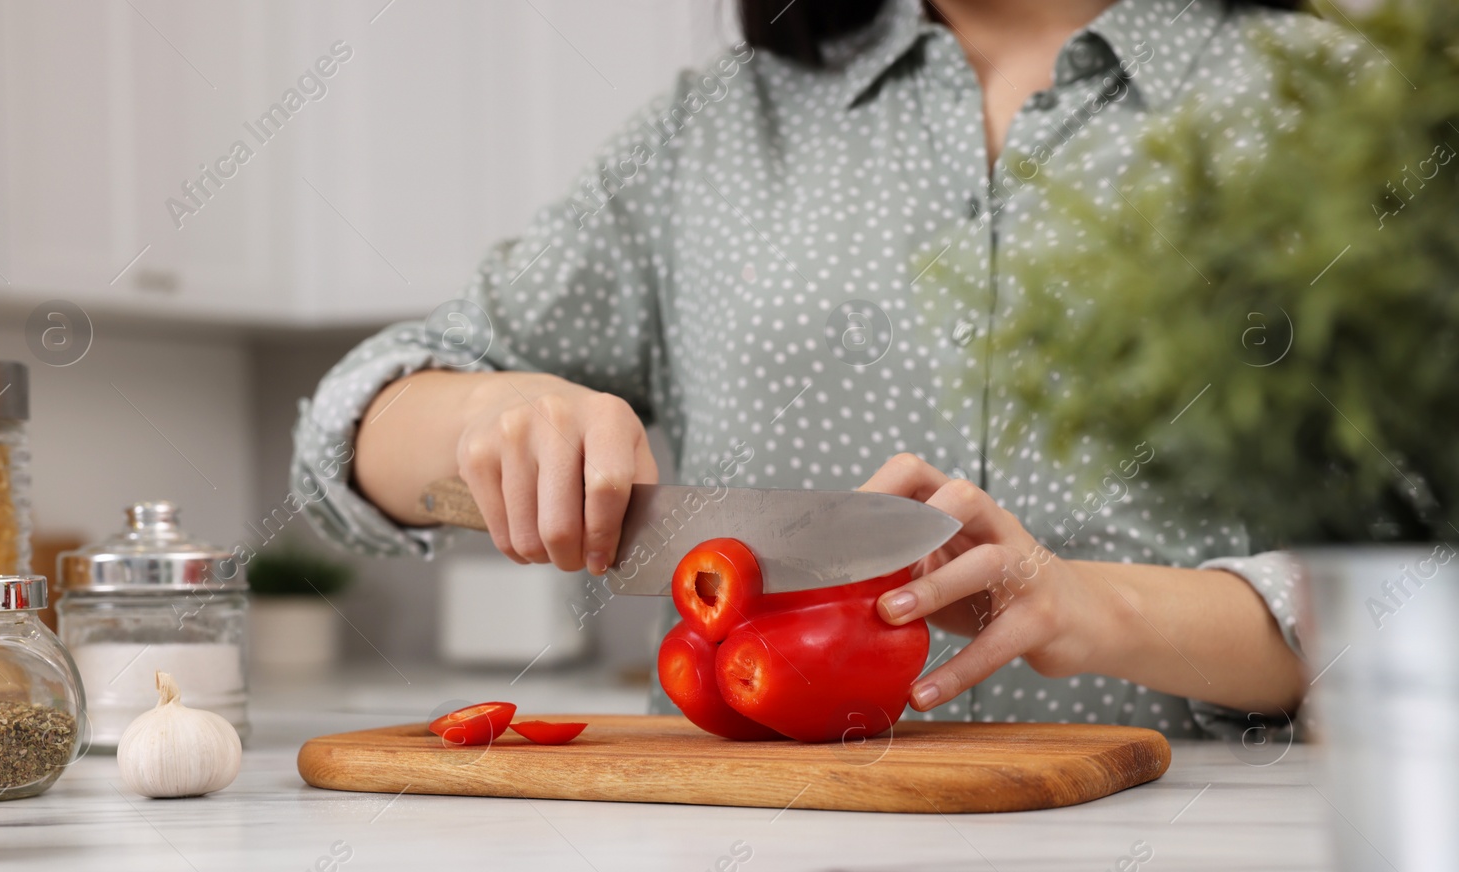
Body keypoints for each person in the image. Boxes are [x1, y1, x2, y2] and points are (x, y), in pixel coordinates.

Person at [293, 0, 1323, 737]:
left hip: (1183, 859)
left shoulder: (1338, 109)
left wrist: (1108, 609)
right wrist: (490, 410)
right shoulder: (712, 129)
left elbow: (1423, 585)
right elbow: (353, 434)